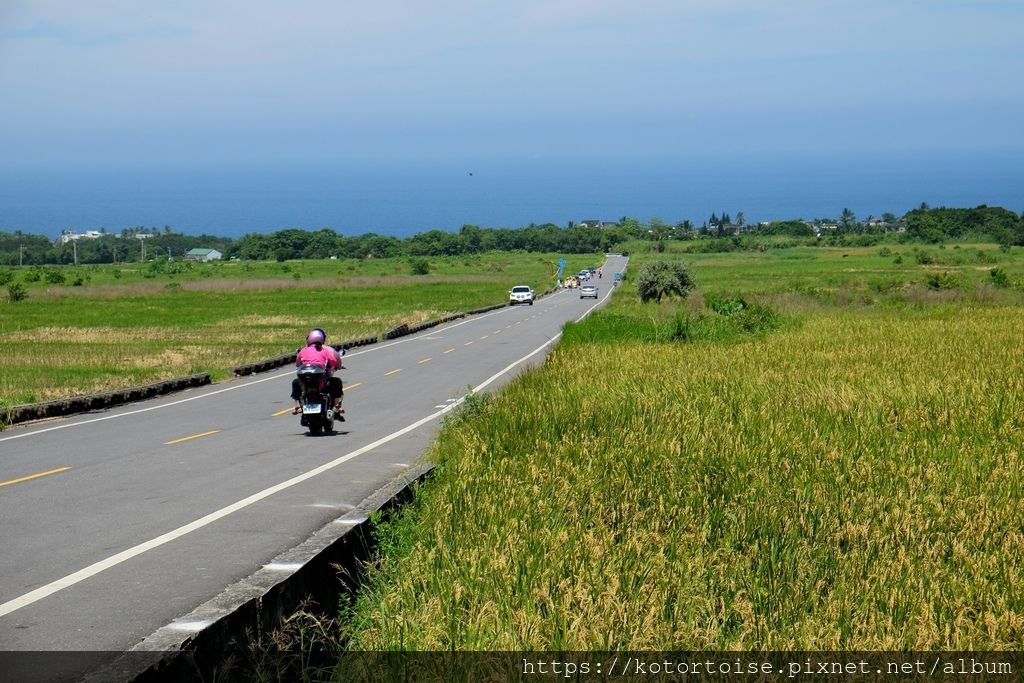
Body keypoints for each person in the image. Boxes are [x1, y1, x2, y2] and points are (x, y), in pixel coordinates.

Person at [291, 328, 345, 418]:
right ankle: (336, 406)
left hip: (306, 383)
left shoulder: (303, 351)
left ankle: (297, 405)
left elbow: (297, 364)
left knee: (295, 383)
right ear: (322, 339)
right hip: (320, 381)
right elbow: (332, 362)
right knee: (337, 382)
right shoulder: (324, 351)